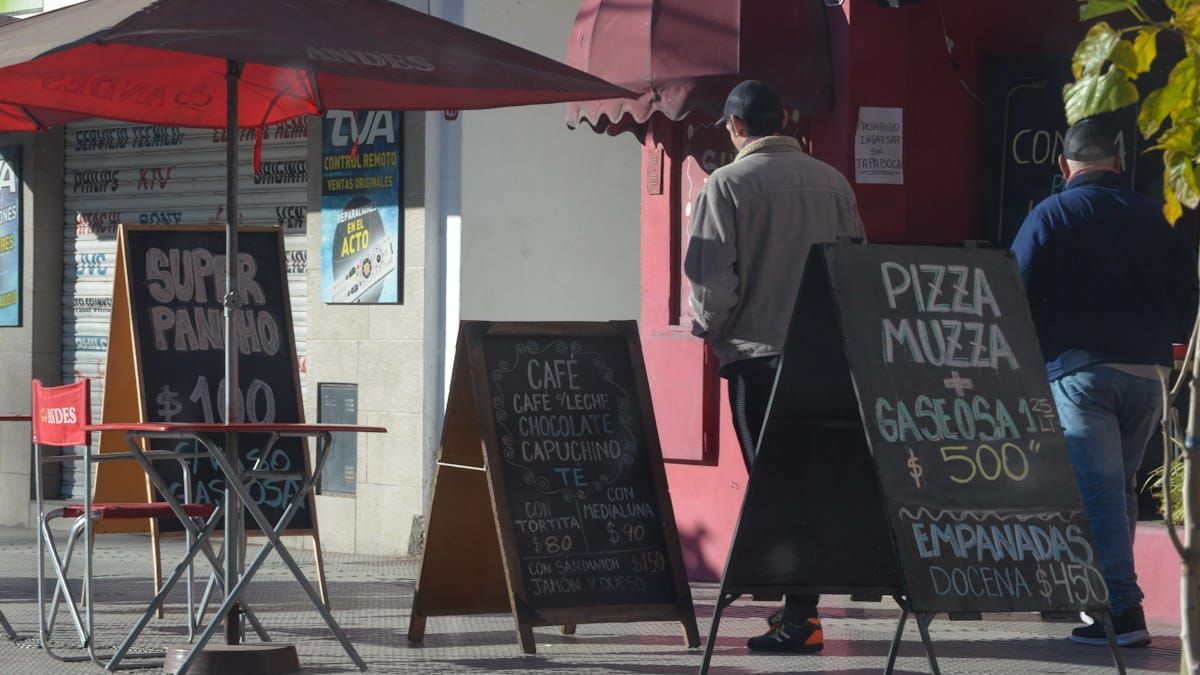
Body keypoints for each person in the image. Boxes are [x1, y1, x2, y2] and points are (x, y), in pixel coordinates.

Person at [684, 79, 865, 653]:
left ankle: (801, 618)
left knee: (775, 485)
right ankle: (799, 606)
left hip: (759, 357)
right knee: (813, 480)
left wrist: (711, 330)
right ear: (784, 121)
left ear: (736, 126)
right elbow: (856, 266)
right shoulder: (833, 182)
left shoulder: (725, 185)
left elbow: (710, 280)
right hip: (828, 361)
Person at [1012, 116, 1198, 648]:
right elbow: (1187, 291)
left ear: (1064, 164)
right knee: (1117, 490)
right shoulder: (1156, 215)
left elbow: (1013, 285)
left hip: (1080, 371)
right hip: (1148, 372)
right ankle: (1112, 602)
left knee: (1098, 494)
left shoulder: (1051, 214)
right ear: (1118, 161)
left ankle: (1120, 612)